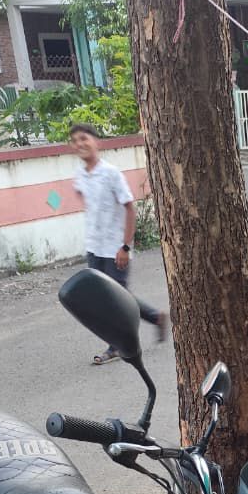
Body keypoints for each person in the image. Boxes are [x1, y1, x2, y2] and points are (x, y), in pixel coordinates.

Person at [69, 123, 169, 365]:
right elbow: (84, 200)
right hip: (94, 248)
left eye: (84, 138)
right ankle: (155, 317)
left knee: (114, 300)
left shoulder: (111, 173)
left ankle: (116, 346)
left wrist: (125, 246)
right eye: (75, 140)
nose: (80, 143)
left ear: (96, 141)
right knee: (107, 298)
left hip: (115, 248)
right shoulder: (80, 175)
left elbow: (129, 209)